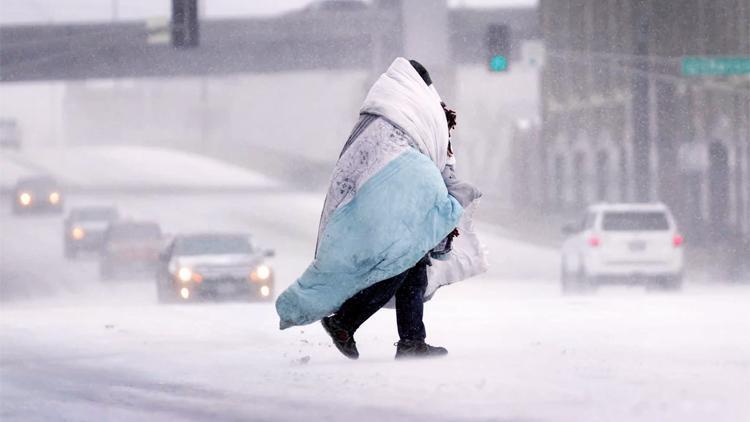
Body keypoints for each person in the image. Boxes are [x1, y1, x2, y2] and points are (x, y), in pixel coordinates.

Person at [275, 58, 485, 360]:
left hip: (376, 200)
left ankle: (412, 340)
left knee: (412, 264)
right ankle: (345, 321)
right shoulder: (414, 112)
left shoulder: (381, 115)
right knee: (399, 263)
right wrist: (450, 192)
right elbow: (429, 157)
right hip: (392, 200)